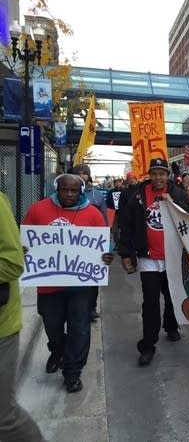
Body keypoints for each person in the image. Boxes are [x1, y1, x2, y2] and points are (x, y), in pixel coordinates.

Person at [23, 174, 114, 393]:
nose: (69, 194)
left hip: (80, 285)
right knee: (51, 323)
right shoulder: (38, 209)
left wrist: (107, 255)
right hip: (48, 282)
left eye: (74, 191)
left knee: (80, 328)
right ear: (57, 189)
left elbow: (105, 243)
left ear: (81, 191)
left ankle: (73, 372)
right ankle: (57, 350)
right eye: (65, 190)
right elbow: (25, 237)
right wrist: (24, 249)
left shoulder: (92, 214)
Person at [117, 158, 189, 366]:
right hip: (148, 259)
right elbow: (126, 226)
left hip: (173, 257)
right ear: (149, 175)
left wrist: (174, 204)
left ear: (167, 175)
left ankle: (170, 326)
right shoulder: (137, 196)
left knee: (171, 297)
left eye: (162, 173)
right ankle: (148, 345)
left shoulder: (178, 193)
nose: (159, 177)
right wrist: (126, 254)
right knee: (150, 302)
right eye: (155, 173)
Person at [0, 191, 46, 441]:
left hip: (2, 325)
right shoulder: (39, 209)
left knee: (3, 416)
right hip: (49, 290)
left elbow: (13, 262)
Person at [72, 164, 108, 321]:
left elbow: (105, 220)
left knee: (92, 276)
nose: (81, 176)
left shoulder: (97, 196)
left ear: (89, 176)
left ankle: (91, 306)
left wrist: (107, 244)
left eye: (84, 173)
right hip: (71, 242)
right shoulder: (66, 193)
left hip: (92, 243)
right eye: (78, 173)